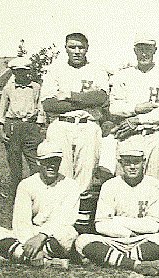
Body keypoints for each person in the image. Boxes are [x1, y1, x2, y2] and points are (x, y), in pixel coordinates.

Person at [74, 143, 159, 271]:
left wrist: (116, 220)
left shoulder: (156, 186)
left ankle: (115, 258)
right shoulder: (110, 185)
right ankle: (134, 263)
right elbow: (101, 225)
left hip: (141, 239)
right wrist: (127, 233)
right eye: (127, 162)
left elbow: (153, 226)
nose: (132, 167)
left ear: (144, 162)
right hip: (114, 240)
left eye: (136, 162)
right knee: (82, 241)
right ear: (120, 163)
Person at [0, 141, 80, 266]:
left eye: (55, 161)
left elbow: (65, 219)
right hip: (31, 233)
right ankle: (44, 259)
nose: (51, 165)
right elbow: (21, 221)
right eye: (47, 161)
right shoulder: (27, 184)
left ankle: (18, 255)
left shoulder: (71, 185)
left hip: (54, 233)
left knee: (69, 234)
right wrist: (29, 241)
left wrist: (41, 237)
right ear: (38, 162)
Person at [98, 35, 159, 182]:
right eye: (140, 49)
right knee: (126, 183)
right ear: (135, 50)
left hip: (155, 134)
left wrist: (138, 120)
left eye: (148, 49)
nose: (144, 53)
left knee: (155, 182)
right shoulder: (123, 75)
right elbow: (114, 108)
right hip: (128, 134)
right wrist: (136, 108)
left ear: (155, 50)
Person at [40, 32, 110, 194]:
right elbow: (49, 105)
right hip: (61, 125)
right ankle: (62, 216)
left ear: (87, 49)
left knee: (85, 173)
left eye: (81, 47)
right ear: (65, 48)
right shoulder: (55, 70)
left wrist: (70, 96)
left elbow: (100, 97)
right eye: (72, 47)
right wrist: (85, 102)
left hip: (88, 126)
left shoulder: (97, 70)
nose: (77, 51)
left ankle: (80, 215)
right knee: (61, 173)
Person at [0, 56, 44, 199]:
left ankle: (36, 193)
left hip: (31, 126)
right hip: (13, 126)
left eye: (24, 71)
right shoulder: (8, 88)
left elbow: (41, 109)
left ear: (28, 72)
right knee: (15, 163)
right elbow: (1, 112)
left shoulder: (36, 87)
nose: (21, 74)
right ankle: (16, 195)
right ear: (13, 72)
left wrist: (38, 127)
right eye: (17, 71)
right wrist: (1, 131)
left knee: (35, 162)